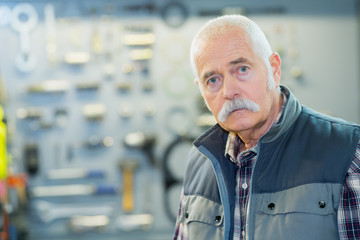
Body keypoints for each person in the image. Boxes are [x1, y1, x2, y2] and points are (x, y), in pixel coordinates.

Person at [172, 15, 360, 240]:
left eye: (242, 69)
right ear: (201, 90)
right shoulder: (199, 161)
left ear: (274, 68)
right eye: (213, 80)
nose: (229, 91)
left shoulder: (348, 151)